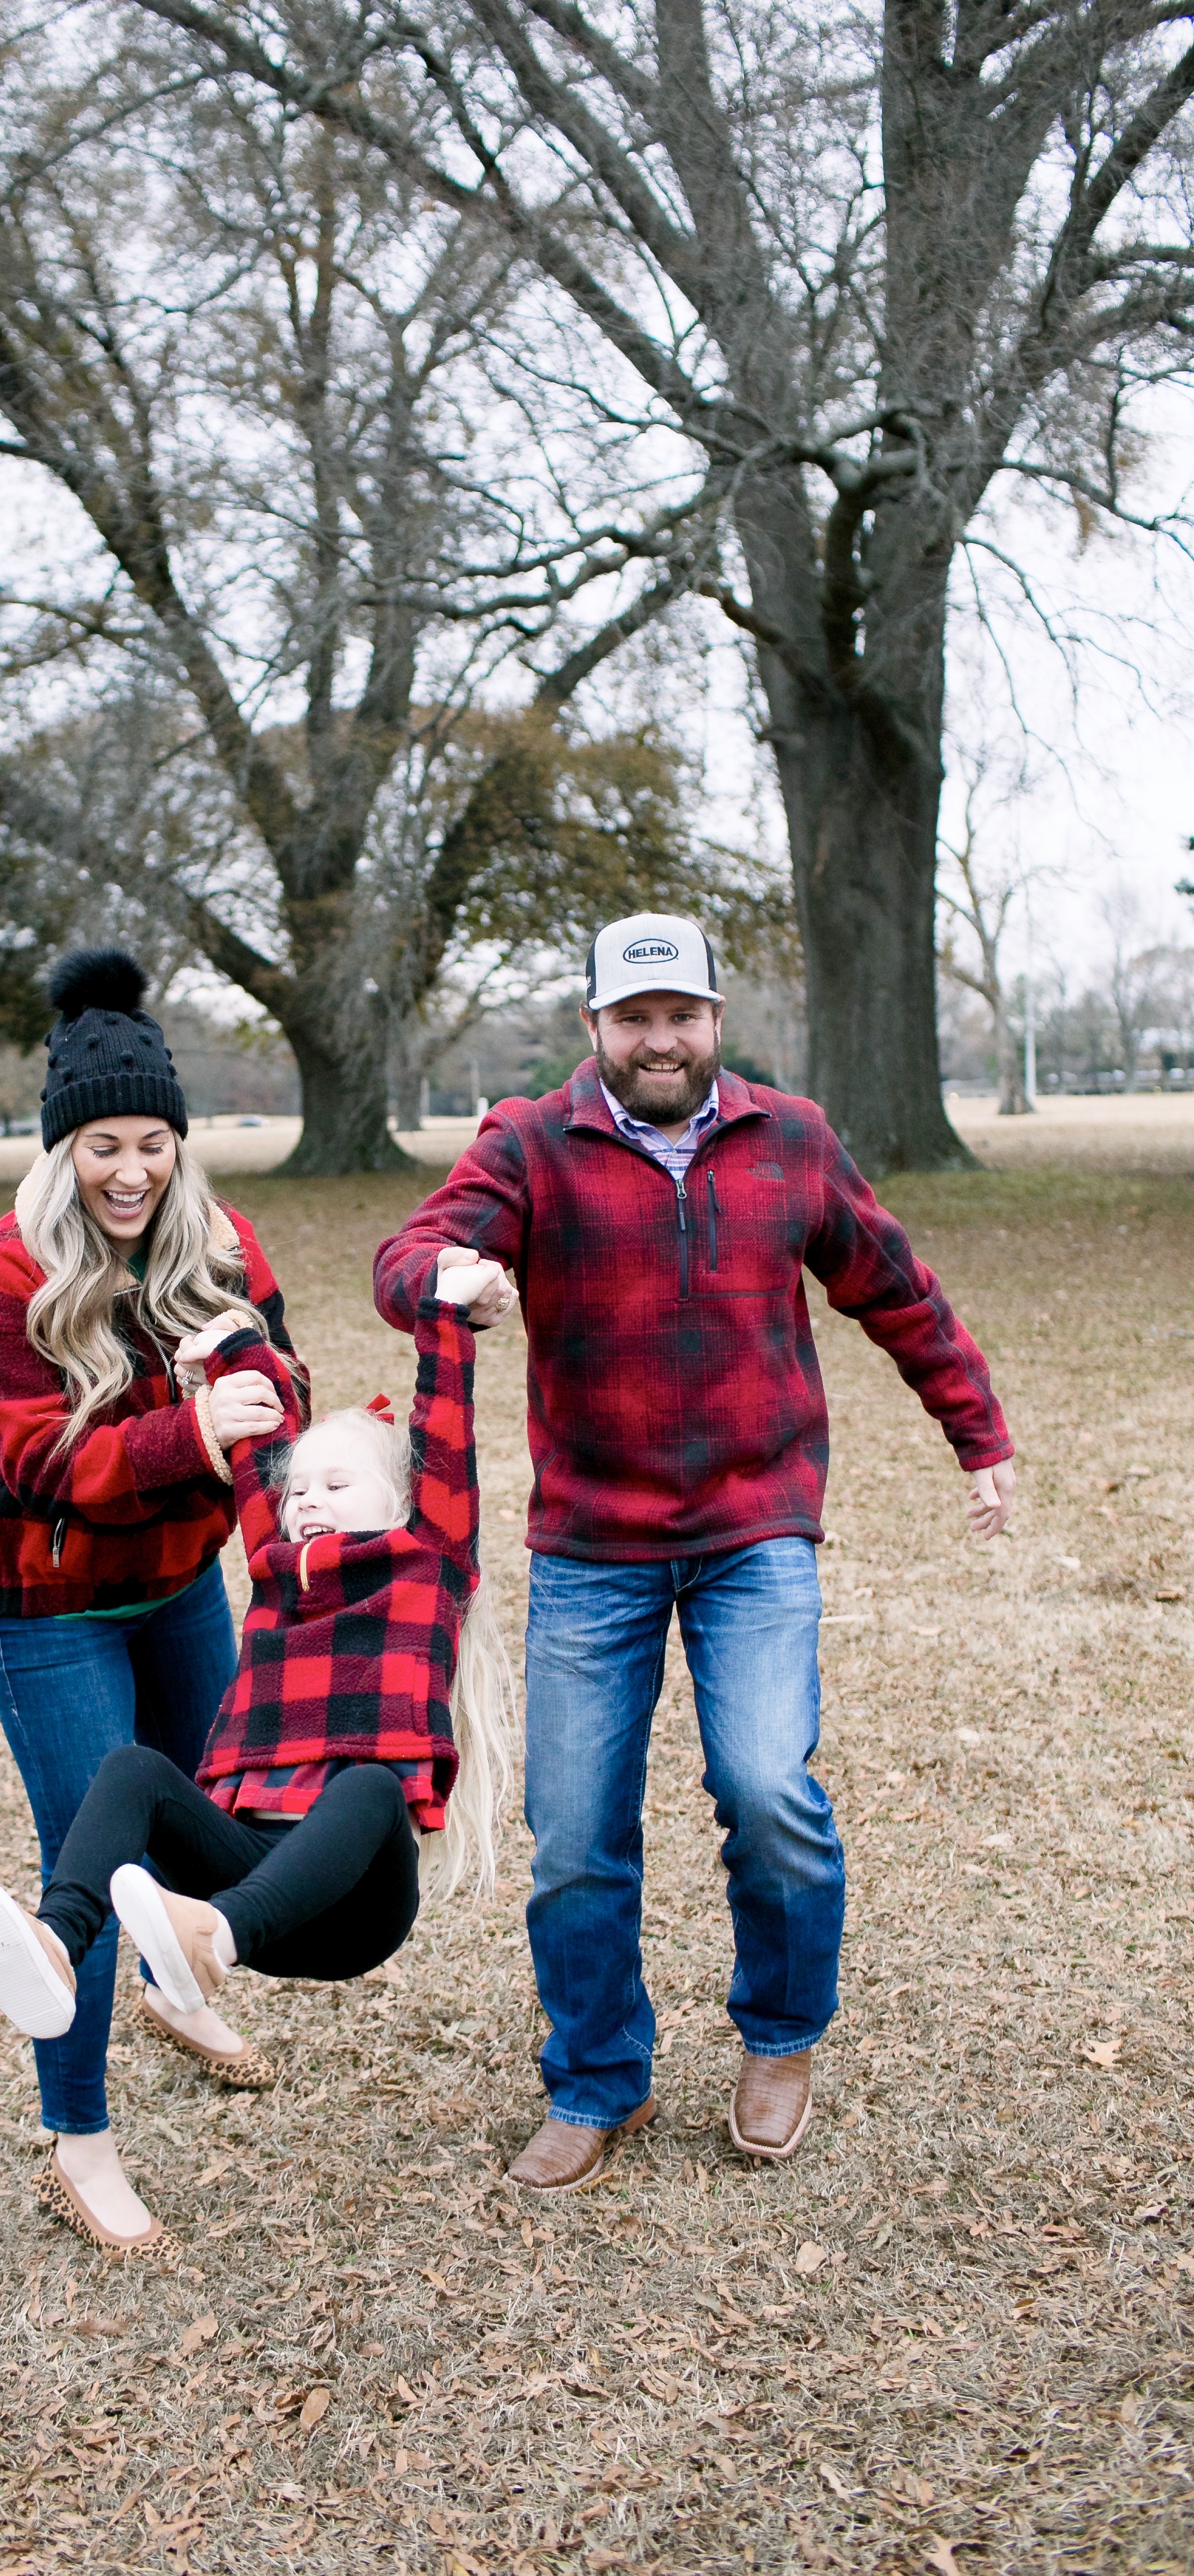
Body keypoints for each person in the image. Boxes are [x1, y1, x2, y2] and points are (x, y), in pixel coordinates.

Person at [373, 913, 1016, 2188]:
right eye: (632, 1018)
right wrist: (451, 1279)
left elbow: (894, 1288)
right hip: (590, 1547)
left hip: (751, 1531)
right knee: (576, 1837)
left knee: (769, 1791)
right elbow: (405, 1259)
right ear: (594, 1028)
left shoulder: (790, 1139)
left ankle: (778, 2036)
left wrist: (976, 1433)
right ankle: (595, 2078)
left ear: (715, 1021)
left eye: (680, 1016)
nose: (657, 1039)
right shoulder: (529, 1142)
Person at [0, 1250, 515, 2251]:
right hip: (250, 1882)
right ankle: (56, 1943)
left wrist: (446, 1319)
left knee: (372, 1784)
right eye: (301, 1494)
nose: (307, 1502)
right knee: (130, 1771)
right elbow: (263, 1454)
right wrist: (236, 1356)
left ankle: (206, 1942)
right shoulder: (277, 1568)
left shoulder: (430, 1559)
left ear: (401, 1501)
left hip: (351, 1909)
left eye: (338, 1485)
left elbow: (445, 1426)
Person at [0, 947, 303, 2253]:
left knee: (219, 1818)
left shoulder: (218, 1244)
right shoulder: (4, 1271)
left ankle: (177, 1978)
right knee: (86, 1867)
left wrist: (263, 1397)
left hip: (176, 1584)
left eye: (153, 1141)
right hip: (45, 1606)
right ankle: (79, 2142)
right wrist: (196, 1431)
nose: (130, 1170)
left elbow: (284, 1390)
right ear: (61, 1153)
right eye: (102, 1143)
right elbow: (45, 1463)